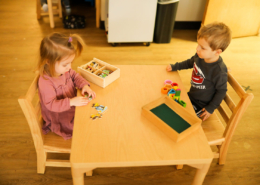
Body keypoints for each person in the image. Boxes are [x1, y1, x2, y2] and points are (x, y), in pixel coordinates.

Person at [166, 22, 232, 121]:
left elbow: (221, 91)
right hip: (191, 95)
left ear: (217, 52)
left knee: (180, 120)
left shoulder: (219, 72)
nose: (197, 49)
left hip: (202, 104)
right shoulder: (201, 56)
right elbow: (189, 63)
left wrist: (211, 108)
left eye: (203, 47)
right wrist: (175, 66)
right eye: (198, 45)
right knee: (169, 107)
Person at [37, 33, 96, 140]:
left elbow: (75, 76)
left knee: (92, 117)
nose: (69, 67)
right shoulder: (45, 82)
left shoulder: (64, 70)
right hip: (61, 119)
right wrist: (71, 102)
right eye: (65, 64)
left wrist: (84, 86)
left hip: (72, 108)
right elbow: (51, 105)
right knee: (88, 130)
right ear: (48, 61)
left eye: (71, 63)